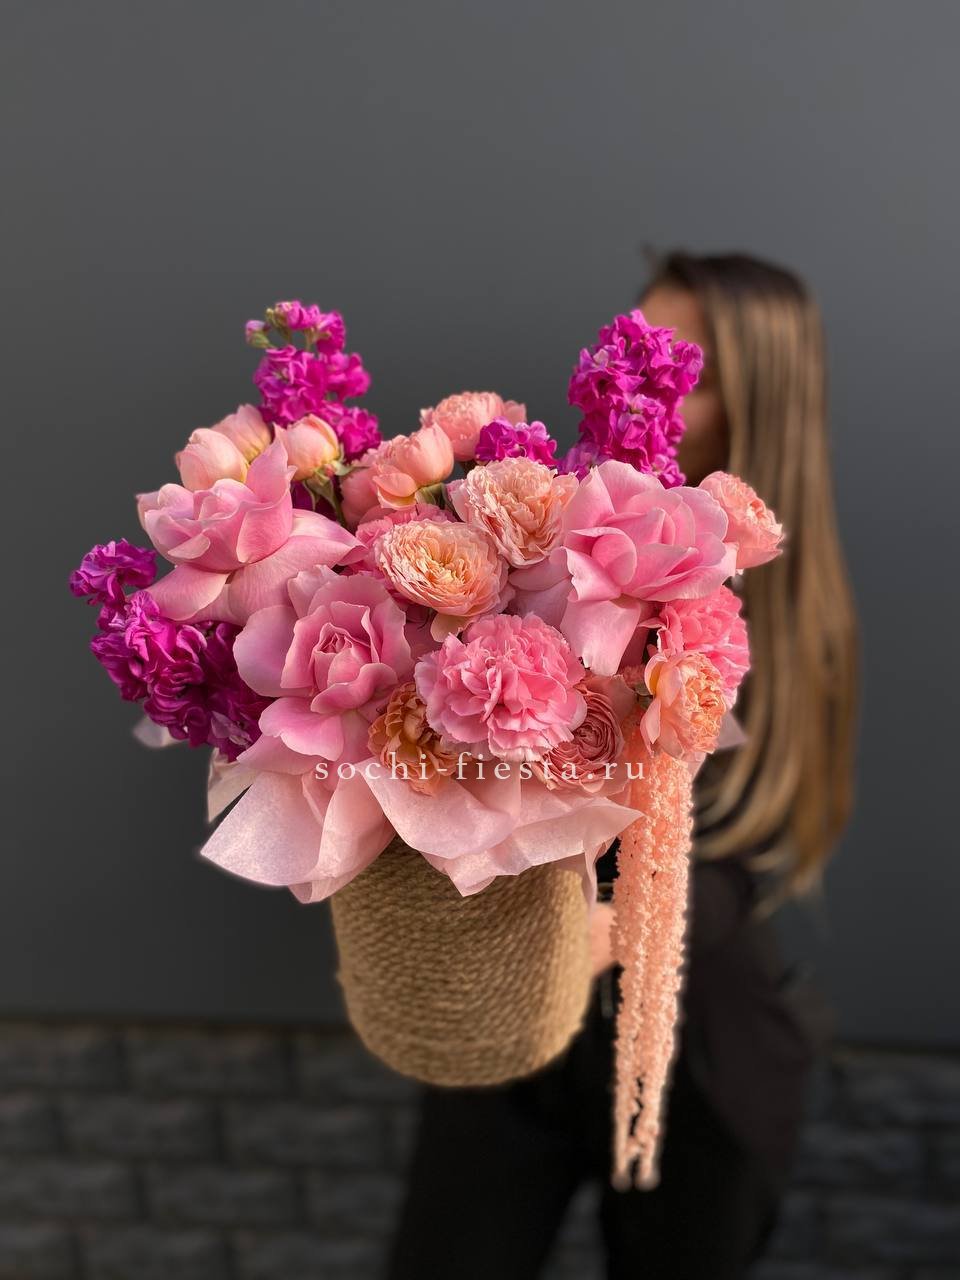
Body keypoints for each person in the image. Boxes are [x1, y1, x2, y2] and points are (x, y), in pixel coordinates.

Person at [385, 252, 859, 1280]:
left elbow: (757, 839)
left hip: (700, 1045)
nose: (646, 389)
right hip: (522, 1018)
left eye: (689, 371)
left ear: (759, 398)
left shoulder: (795, 610)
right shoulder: (552, 544)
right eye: (635, 349)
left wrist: (604, 928)